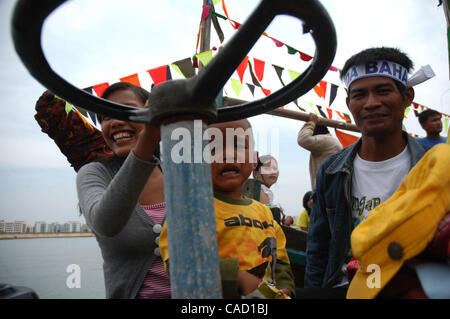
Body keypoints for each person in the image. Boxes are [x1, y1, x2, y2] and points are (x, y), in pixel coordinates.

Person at [304, 47, 430, 296]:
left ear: (407, 96)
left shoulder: (433, 167)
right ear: (349, 103)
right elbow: (319, 248)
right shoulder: (331, 170)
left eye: (383, 91)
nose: (371, 103)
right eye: (360, 94)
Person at [159, 119, 296, 298]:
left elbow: (281, 261)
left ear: (254, 159)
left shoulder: (265, 214)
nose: (229, 154)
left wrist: (286, 288)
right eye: (213, 147)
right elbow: (178, 263)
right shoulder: (188, 212)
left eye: (239, 146)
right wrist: (239, 278)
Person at [75, 82, 170, 299]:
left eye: (127, 111)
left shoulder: (179, 172)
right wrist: (148, 138)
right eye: (106, 117)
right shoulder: (93, 173)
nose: (116, 122)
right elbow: (106, 224)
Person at [297, 113, 342, 190]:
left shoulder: (326, 140)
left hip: (327, 189)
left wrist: (311, 123)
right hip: (330, 189)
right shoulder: (330, 141)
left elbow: (303, 139)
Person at [253, 155, 294, 226]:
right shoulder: (260, 191)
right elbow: (267, 223)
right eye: (267, 168)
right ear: (256, 173)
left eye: (275, 168)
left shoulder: (266, 191)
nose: (273, 172)